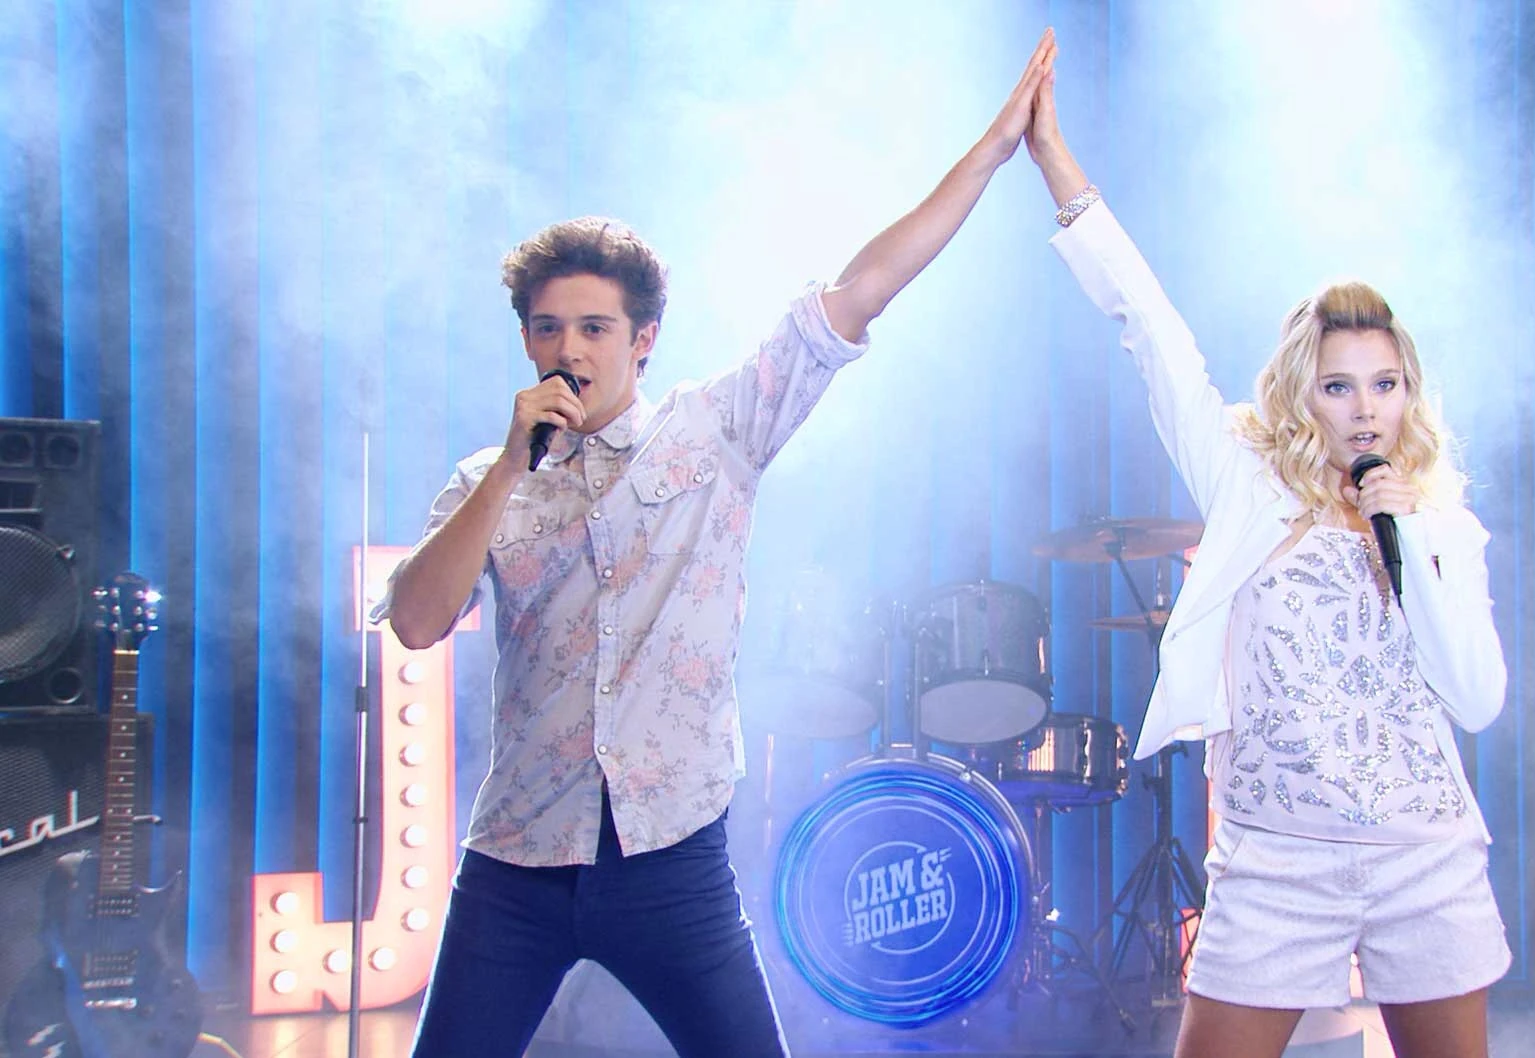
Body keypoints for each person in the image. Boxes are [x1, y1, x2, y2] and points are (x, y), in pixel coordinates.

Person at [379, 30, 1060, 1058]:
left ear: (643, 338)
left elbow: (859, 290)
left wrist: (993, 151)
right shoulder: (490, 479)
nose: (570, 348)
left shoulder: (715, 433)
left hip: (669, 859)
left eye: (596, 328)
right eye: (549, 327)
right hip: (517, 859)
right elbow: (417, 621)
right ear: (525, 337)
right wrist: (513, 465)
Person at [1020, 62, 1510, 1058]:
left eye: (1384, 384)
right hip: (1279, 859)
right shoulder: (1247, 482)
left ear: (1408, 392)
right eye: (1338, 385)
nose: (1364, 408)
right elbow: (1152, 332)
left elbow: (1476, 699)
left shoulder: (1440, 523)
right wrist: (1059, 170)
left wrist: (1409, 538)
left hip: (1425, 856)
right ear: (1301, 393)